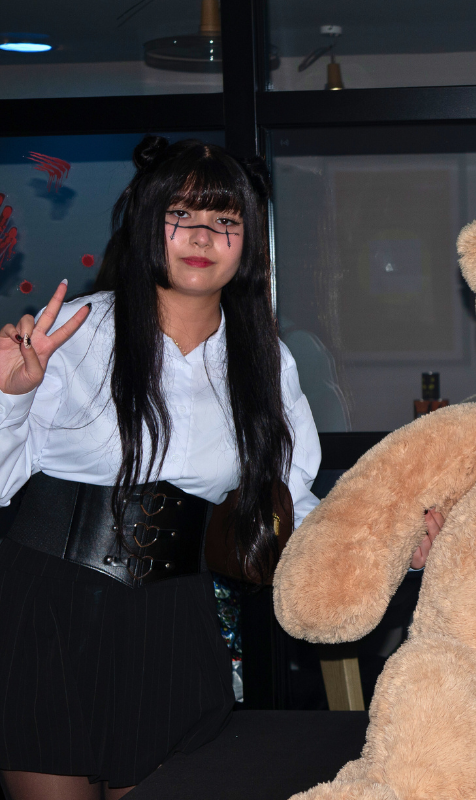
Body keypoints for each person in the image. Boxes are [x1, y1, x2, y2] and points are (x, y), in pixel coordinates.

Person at [0, 136, 324, 800]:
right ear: (149, 223)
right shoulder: (76, 333)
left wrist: (392, 542)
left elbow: (293, 495)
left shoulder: (265, 360)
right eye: (183, 214)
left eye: (226, 221)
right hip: (45, 611)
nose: (203, 235)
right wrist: (11, 394)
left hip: (174, 621)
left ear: (247, 243)